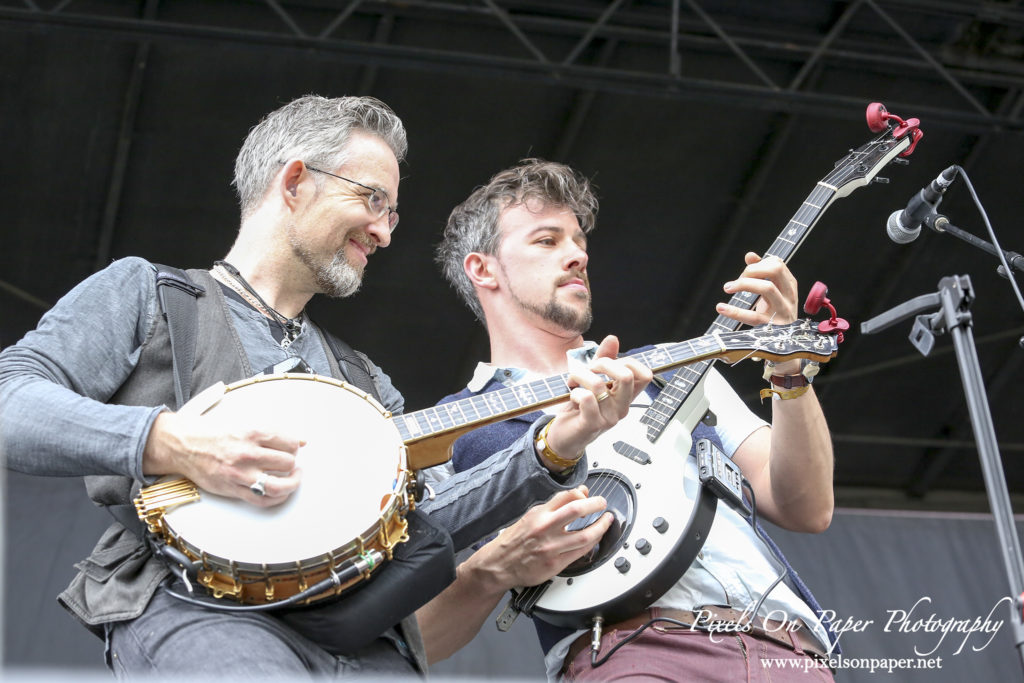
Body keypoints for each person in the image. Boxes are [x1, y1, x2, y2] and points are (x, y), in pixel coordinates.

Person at [0, 99, 651, 678]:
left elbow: (426, 521)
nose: (386, 231)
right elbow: (11, 400)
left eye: (393, 213)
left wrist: (556, 446)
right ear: (294, 181)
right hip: (201, 613)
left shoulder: (366, 382)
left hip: (366, 640)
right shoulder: (147, 295)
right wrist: (170, 442)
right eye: (373, 200)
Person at [417, 158, 838, 680]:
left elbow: (808, 507)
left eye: (579, 242)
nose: (576, 255)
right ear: (482, 269)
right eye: (548, 241)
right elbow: (420, 638)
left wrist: (790, 368)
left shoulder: (677, 362)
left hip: (791, 653)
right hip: (630, 655)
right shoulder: (447, 432)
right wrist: (490, 571)